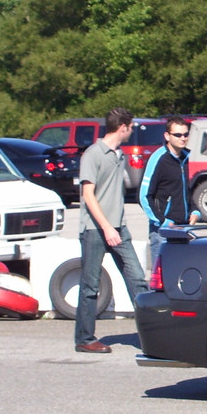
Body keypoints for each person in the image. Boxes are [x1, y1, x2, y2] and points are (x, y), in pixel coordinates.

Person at [74, 108, 148, 353]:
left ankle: (151, 334)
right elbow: (88, 194)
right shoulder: (93, 154)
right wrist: (106, 228)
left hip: (120, 228)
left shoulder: (120, 155)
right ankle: (85, 339)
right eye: (132, 126)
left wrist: (116, 226)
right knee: (90, 286)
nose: (132, 131)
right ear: (123, 127)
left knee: (137, 278)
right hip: (95, 229)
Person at [138, 115, 200, 268]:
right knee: (163, 279)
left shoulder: (187, 157)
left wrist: (195, 211)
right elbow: (144, 196)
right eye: (178, 135)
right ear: (167, 136)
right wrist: (163, 221)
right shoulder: (158, 158)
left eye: (186, 134)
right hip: (163, 231)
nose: (183, 138)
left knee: (184, 274)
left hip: (184, 228)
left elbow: (187, 190)